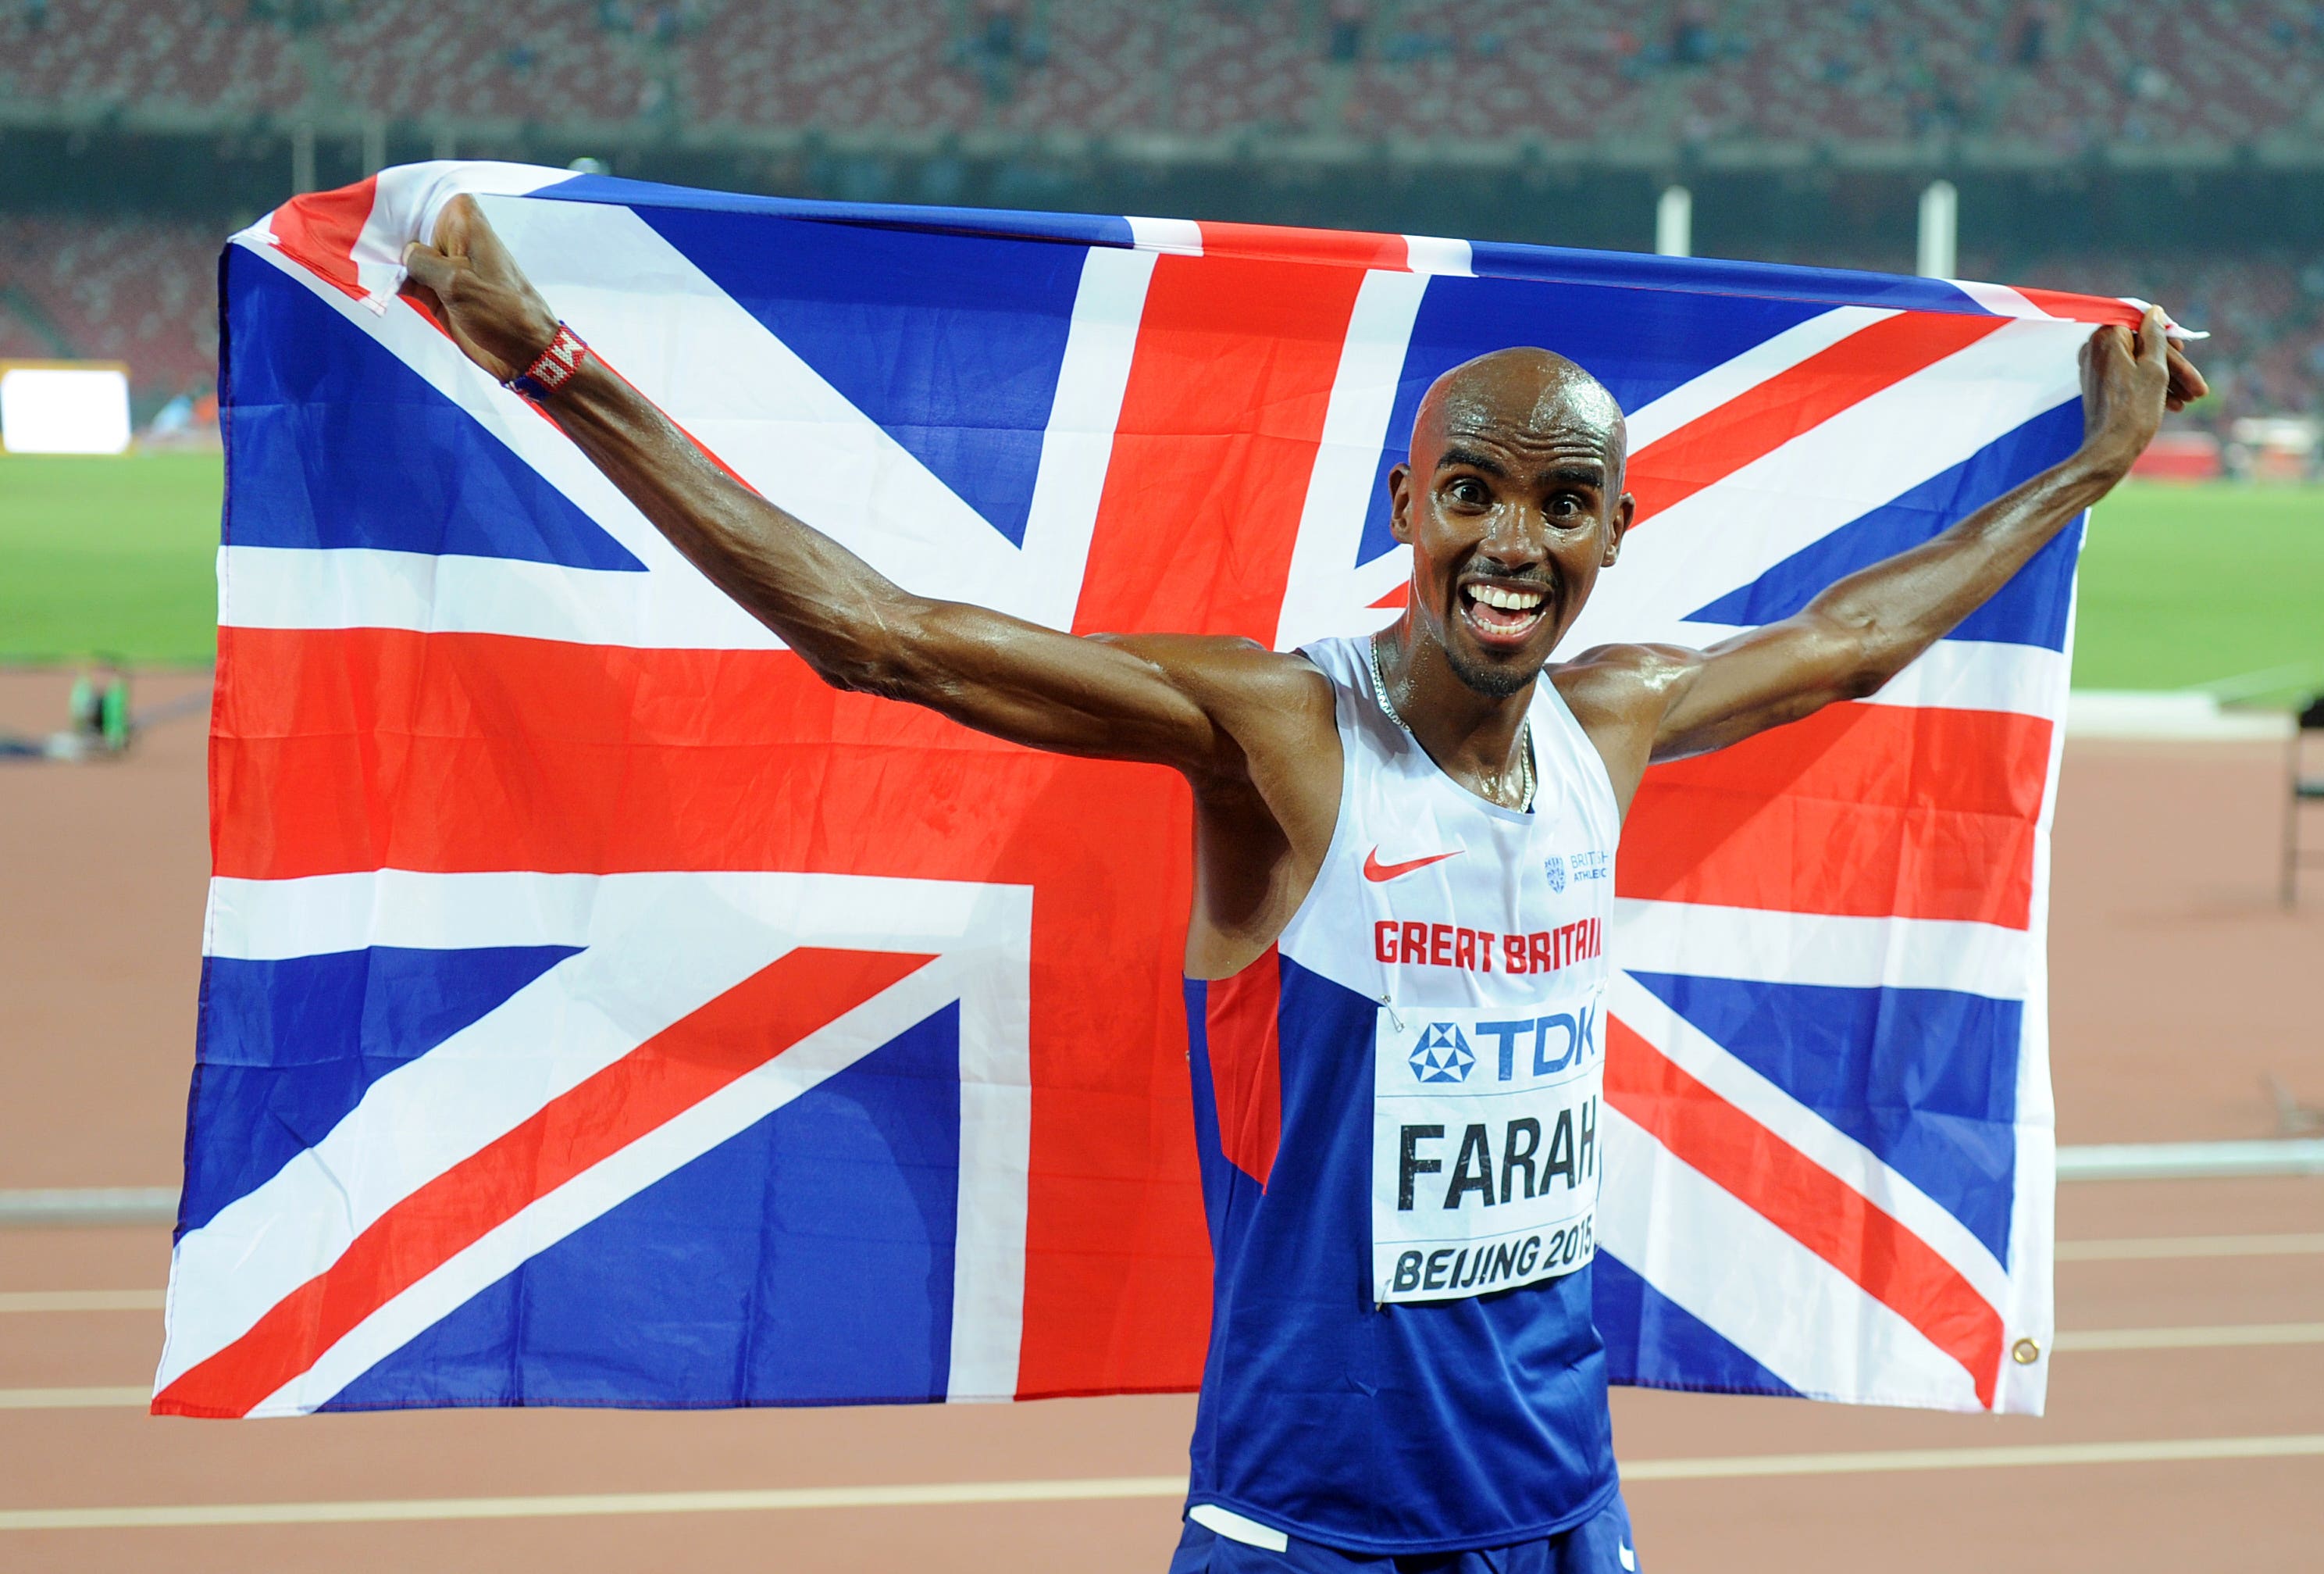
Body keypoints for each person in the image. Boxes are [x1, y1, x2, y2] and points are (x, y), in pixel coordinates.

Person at [400, 198, 2203, 1572]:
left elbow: (1852, 638)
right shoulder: (1281, 736)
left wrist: (2091, 469)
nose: (1515, 544)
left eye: (1564, 506)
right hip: (1308, 1519)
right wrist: (552, 363)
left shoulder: (1617, 719)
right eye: (1474, 496)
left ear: (1613, 537)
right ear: (1405, 503)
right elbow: (883, 640)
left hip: (1560, 1497)